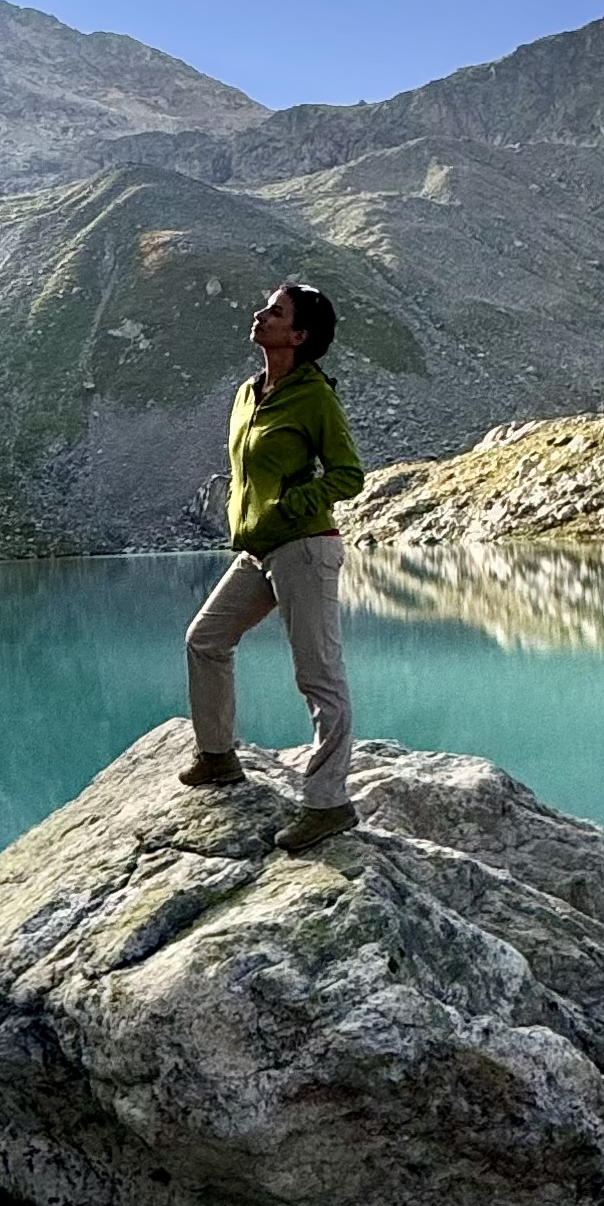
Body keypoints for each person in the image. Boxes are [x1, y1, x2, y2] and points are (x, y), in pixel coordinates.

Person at [180, 280, 364, 850]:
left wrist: (294, 503)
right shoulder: (247, 392)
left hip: (305, 548)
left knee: (318, 675)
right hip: (258, 550)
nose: (260, 314)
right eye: (264, 307)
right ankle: (217, 758)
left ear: (299, 335)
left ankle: (328, 803)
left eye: (275, 312)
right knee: (205, 638)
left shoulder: (315, 398)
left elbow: (348, 475)